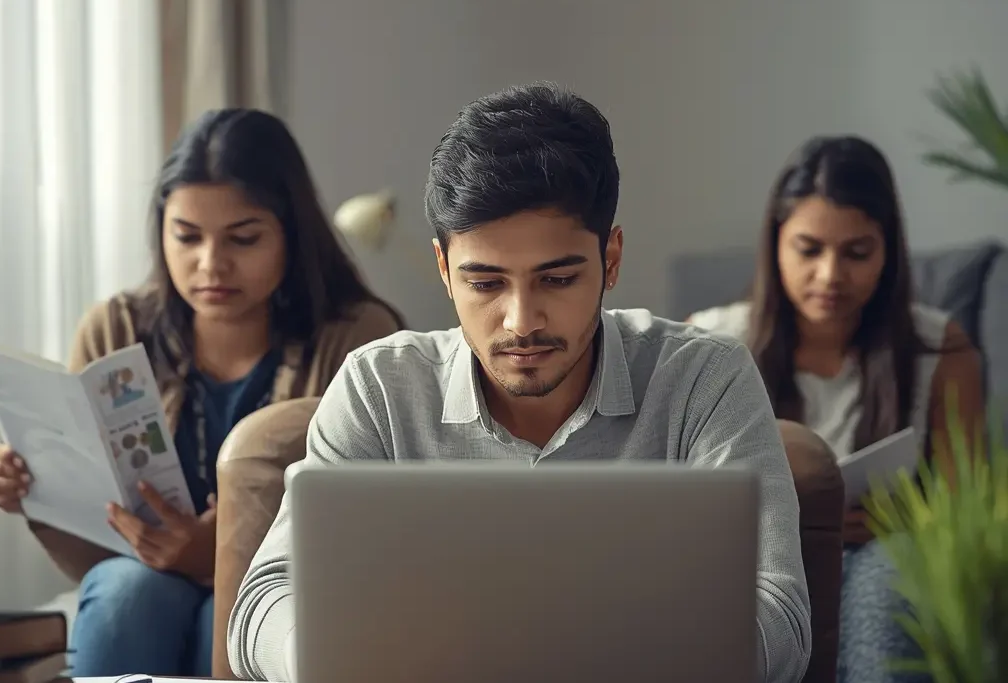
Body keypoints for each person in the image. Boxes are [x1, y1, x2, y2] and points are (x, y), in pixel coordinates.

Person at [228, 83, 811, 683]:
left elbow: (780, 621)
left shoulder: (703, 379)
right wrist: (331, 657)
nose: (521, 321)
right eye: (485, 284)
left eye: (557, 279)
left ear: (611, 259)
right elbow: (263, 601)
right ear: (443, 270)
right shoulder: (379, 388)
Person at [0, 108, 403, 678]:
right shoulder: (117, 329)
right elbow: (92, 527)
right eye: (186, 236)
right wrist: (35, 484)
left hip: (283, 580)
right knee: (125, 595)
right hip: (135, 575)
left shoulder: (358, 339)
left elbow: (376, 528)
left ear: (292, 232)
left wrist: (220, 555)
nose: (211, 265)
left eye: (244, 238)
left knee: (232, 619)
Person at [687, 136, 986, 683]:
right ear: (776, 244)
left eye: (856, 252)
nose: (830, 276)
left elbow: (963, 513)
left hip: (882, 551)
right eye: (809, 249)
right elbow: (675, 500)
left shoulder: (938, 350)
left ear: (888, 250)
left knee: (887, 584)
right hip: (754, 561)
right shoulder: (709, 345)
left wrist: (898, 520)